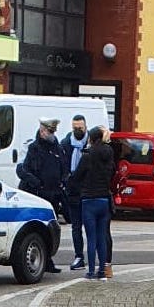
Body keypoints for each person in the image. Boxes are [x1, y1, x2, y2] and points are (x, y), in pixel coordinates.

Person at [15, 117, 66, 273]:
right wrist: (36, 183)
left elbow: (63, 168)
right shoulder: (33, 148)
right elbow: (22, 170)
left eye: (53, 131)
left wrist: (63, 183)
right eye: (49, 131)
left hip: (53, 196)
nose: (51, 134)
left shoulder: (57, 148)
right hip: (37, 195)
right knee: (38, 229)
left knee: (50, 228)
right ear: (42, 130)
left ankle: (48, 260)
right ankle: (43, 261)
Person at [71, 125, 115, 280]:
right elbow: (112, 174)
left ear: (91, 139)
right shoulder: (109, 155)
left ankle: (90, 272)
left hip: (89, 200)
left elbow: (76, 177)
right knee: (102, 236)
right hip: (104, 200)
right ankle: (102, 272)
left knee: (91, 238)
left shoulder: (88, 156)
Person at [59, 114, 89, 270]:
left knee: (91, 226)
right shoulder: (66, 144)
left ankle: (94, 256)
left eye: (80, 128)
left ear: (85, 127)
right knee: (76, 227)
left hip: (88, 191)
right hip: (73, 191)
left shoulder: (91, 144)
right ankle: (79, 256)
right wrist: (66, 181)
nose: (78, 130)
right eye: (75, 128)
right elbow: (62, 165)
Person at [103, 127, 130, 279]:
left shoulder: (91, 157)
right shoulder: (112, 162)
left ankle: (98, 267)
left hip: (95, 198)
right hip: (107, 198)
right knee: (105, 233)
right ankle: (106, 266)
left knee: (97, 234)